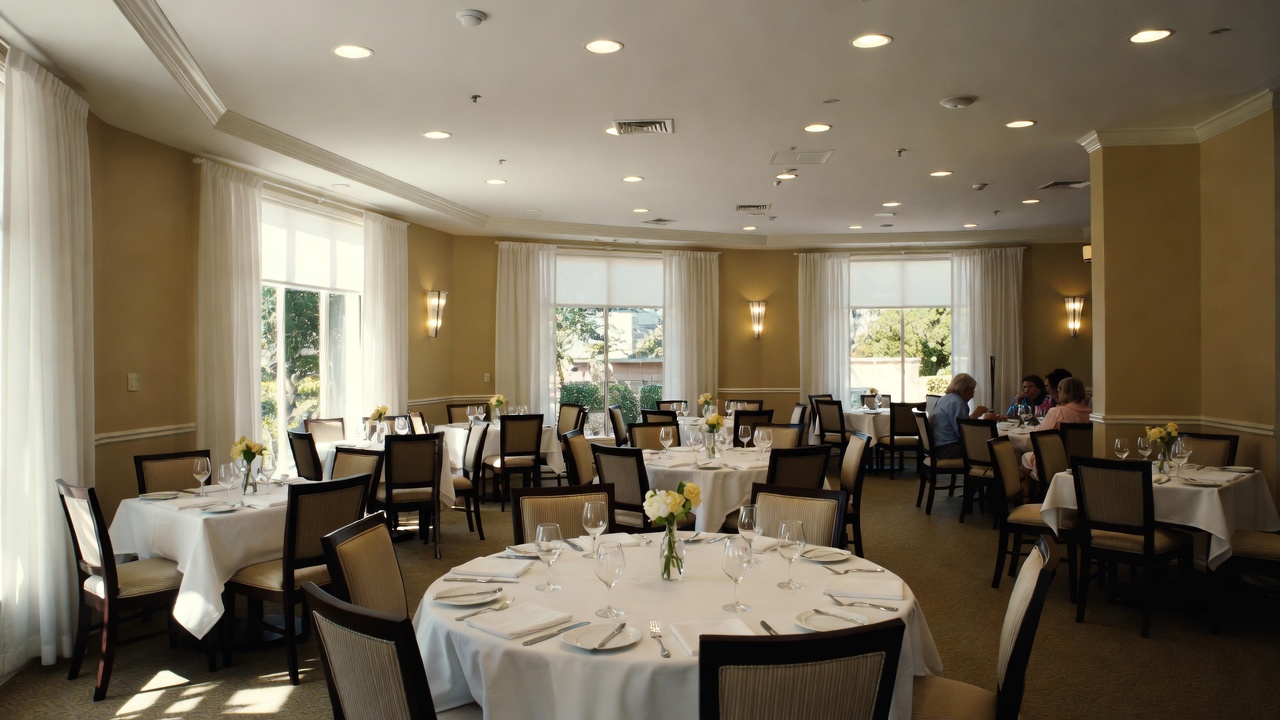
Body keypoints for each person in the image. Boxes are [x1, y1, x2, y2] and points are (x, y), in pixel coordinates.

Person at [1021, 377, 1092, 480]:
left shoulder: (1057, 412)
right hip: (1085, 463)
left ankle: (1031, 492)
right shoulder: (1094, 414)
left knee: (1024, 458)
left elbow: (1039, 439)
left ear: (1062, 392)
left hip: (1057, 464)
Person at [932, 373, 989, 459]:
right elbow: (963, 433)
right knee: (991, 447)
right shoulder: (958, 402)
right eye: (972, 391)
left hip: (938, 446)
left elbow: (957, 424)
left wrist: (974, 416)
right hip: (948, 449)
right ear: (965, 389)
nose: (972, 395)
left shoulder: (944, 399)